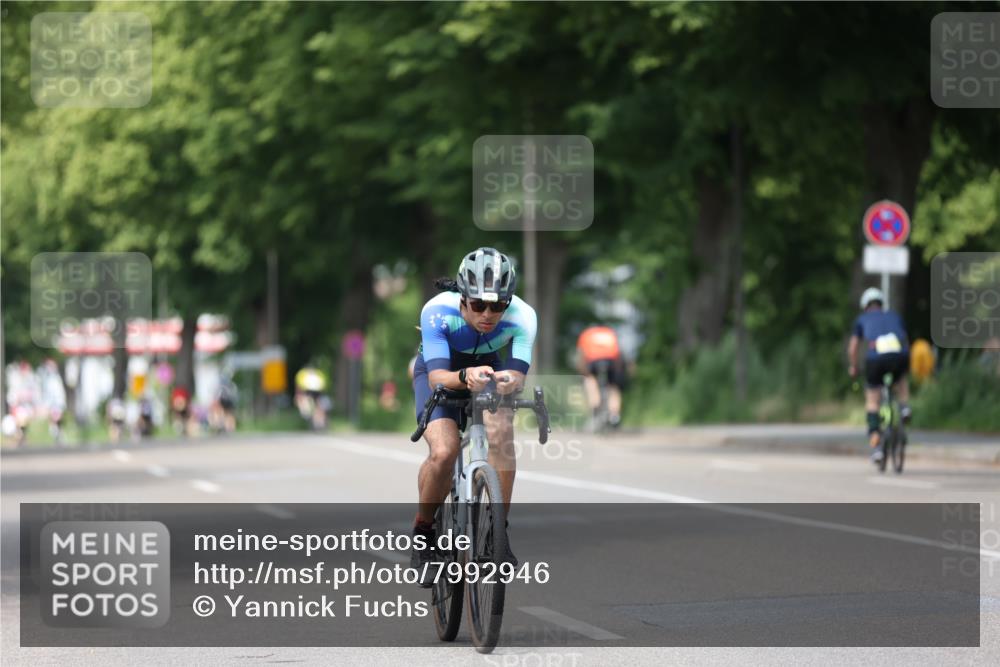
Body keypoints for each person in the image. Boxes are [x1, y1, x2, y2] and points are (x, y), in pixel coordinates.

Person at [410, 247, 537, 584]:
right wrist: (465, 377)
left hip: (488, 369)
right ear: (462, 297)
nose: (488, 314)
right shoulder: (437, 312)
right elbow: (438, 378)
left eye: (498, 305)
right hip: (440, 369)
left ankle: (498, 536)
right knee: (444, 451)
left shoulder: (523, 316)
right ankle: (423, 534)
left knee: (502, 436)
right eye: (479, 304)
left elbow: (519, 374)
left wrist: (509, 381)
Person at [847, 287, 911, 463]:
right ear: (881, 304)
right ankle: (904, 407)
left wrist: (853, 367)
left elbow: (853, 348)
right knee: (901, 379)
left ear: (865, 306)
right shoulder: (894, 315)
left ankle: (876, 446)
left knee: (872, 399)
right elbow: (905, 339)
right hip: (899, 355)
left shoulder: (862, 319)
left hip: (876, 358)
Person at [575, 325, 625, 429]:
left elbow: (581, 354)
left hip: (594, 360)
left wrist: (584, 372)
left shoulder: (586, 334)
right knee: (613, 387)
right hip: (611, 361)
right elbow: (619, 353)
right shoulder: (610, 332)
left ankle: (595, 409)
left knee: (590, 380)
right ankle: (614, 415)